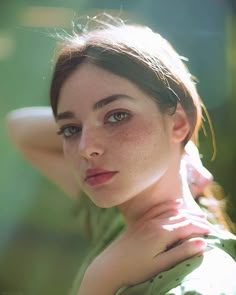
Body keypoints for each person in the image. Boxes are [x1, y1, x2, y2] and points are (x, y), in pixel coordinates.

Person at [6, 15, 236, 295]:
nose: (85, 149)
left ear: (178, 122)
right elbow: (18, 126)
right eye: (70, 129)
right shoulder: (119, 212)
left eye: (117, 116)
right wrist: (181, 146)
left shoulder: (198, 284)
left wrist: (98, 282)